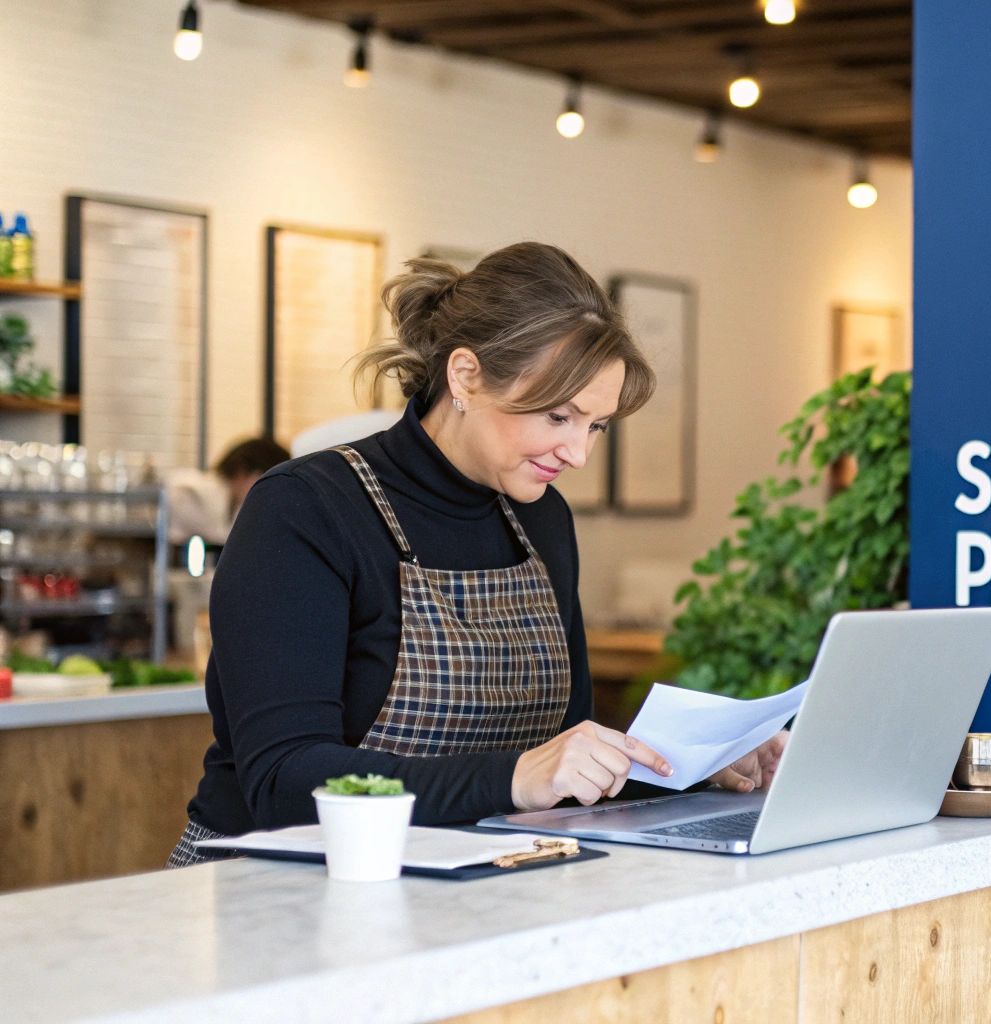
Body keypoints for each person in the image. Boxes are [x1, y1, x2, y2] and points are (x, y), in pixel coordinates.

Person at [168, 242, 785, 865]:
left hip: (466, 877)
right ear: (465, 375)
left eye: (595, 426)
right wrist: (516, 779)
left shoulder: (540, 517)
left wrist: (693, 765)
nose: (578, 454)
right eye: (557, 417)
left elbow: (556, 762)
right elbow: (284, 783)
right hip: (275, 887)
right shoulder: (305, 509)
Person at [164, 437, 292, 545]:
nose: (268, 491)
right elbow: (231, 537)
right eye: (262, 477)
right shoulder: (194, 491)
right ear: (241, 471)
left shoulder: (231, 502)